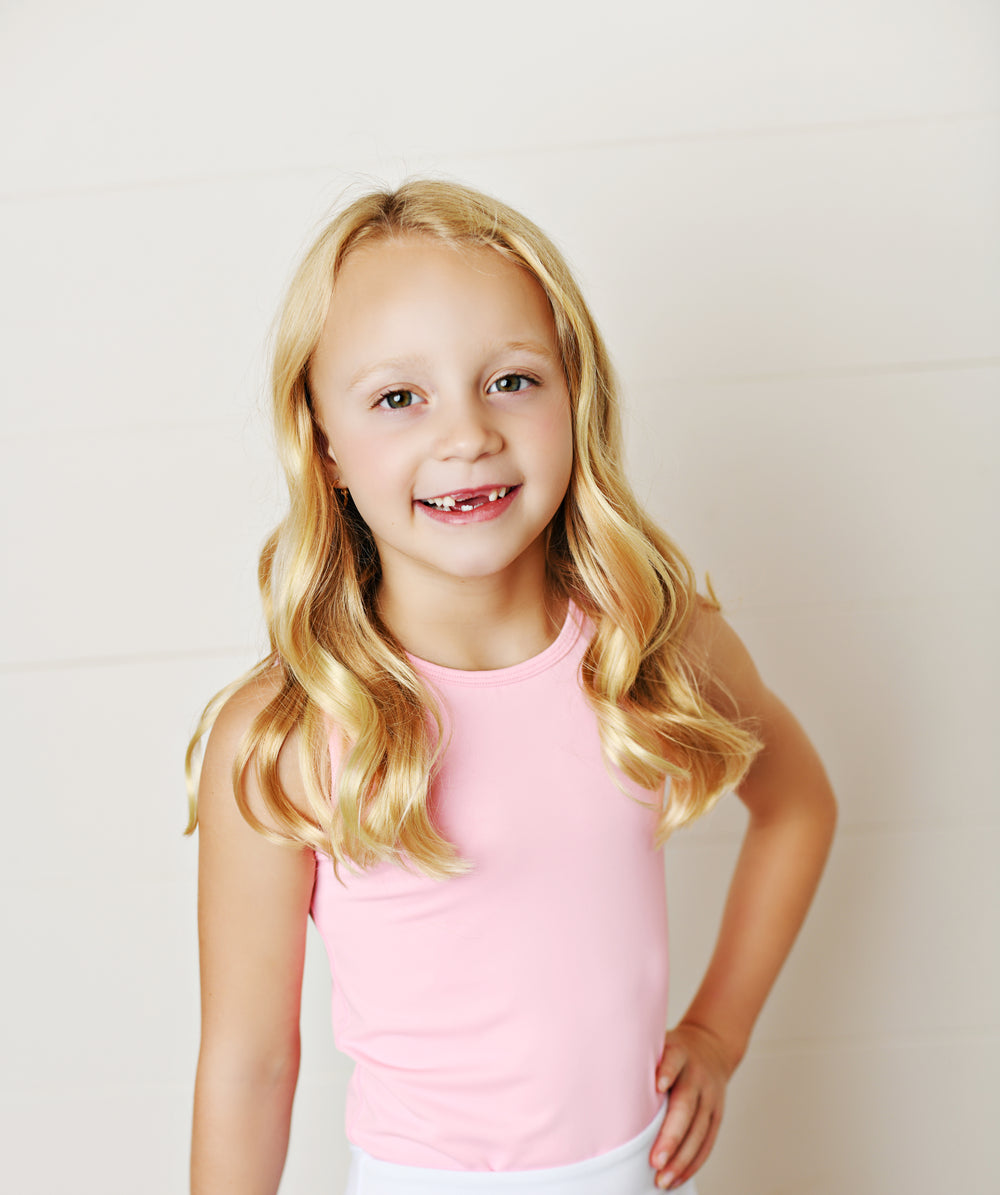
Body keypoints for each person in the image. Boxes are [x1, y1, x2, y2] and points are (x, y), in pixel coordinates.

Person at [186, 179, 837, 1195]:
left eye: (511, 381)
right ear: (324, 444)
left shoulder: (654, 646)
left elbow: (797, 803)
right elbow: (248, 1064)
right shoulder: (282, 733)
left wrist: (716, 1031)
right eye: (400, 397)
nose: (467, 436)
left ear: (575, 393)